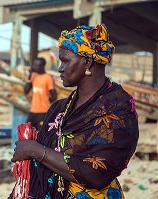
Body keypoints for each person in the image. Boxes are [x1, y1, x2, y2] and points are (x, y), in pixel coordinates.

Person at [9, 24, 139, 198]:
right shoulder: (59, 109)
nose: (60, 68)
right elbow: (40, 168)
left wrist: (35, 150)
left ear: (87, 62)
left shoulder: (119, 108)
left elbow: (97, 174)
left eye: (65, 61)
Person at [24, 57, 57, 131]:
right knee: (28, 132)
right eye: (34, 65)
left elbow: (54, 95)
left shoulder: (47, 78)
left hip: (43, 112)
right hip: (33, 111)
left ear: (42, 66)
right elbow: (26, 91)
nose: (34, 67)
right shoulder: (33, 76)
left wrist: (45, 101)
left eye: (36, 65)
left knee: (41, 133)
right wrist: (29, 77)